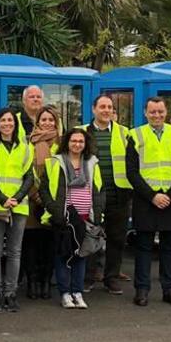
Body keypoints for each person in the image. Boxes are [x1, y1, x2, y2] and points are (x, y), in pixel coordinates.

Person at [127, 97, 171, 308]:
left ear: (166, 113)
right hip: (146, 199)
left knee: (169, 248)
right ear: (145, 113)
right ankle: (142, 290)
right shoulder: (135, 135)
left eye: (160, 112)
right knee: (143, 247)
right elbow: (132, 172)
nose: (157, 116)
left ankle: (169, 290)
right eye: (152, 112)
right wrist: (152, 195)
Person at [40, 128, 103, 309]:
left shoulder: (92, 163)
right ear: (67, 142)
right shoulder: (55, 162)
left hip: (85, 217)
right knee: (62, 255)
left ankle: (77, 292)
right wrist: (54, 210)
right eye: (73, 141)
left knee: (80, 256)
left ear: (85, 144)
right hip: (64, 217)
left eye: (80, 141)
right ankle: (65, 293)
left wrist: (97, 213)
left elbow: (99, 189)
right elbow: (44, 189)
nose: (77, 144)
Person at [0, 108, 34, 313]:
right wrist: (3, 199)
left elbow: (29, 176)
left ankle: (11, 293)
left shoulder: (25, 147)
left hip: (18, 205)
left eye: (10, 120)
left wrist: (17, 198)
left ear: (15, 123)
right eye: (2, 120)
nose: (6, 124)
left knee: (14, 252)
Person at [79, 95, 132, 295]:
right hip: (90, 194)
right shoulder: (82, 132)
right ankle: (89, 277)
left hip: (119, 193)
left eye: (110, 107)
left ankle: (111, 278)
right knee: (90, 237)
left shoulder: (124, 133)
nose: (106, 110)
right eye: (102, 106)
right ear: (93, 109)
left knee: (117, 239)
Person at [22, 106, 60, 300]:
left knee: (49, 245)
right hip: (31, 200)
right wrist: (35, 195)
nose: (47, 123)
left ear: (56, 122)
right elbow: (23, 172)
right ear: (37, 123)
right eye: (43, 120)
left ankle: (46, 282)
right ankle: (32, 282)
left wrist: (49, 200)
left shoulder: (61, 144)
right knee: (31, 245)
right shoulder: (28, 143)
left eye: (50, 120)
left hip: (53, 203)